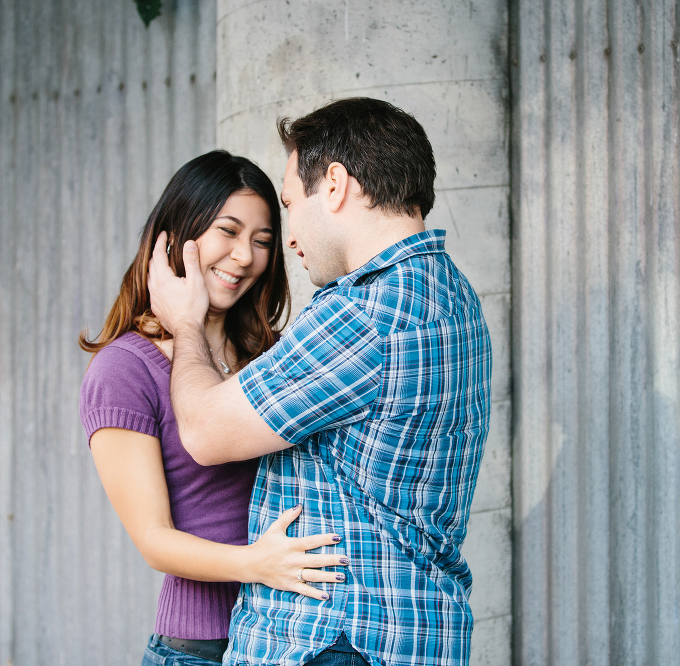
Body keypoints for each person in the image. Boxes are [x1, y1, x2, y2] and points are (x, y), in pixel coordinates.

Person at [147, 98, 493, 666]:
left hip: (336, 640)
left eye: (289, 205)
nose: (289, 239)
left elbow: (206, 433)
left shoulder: (366, 312)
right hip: (415, 633)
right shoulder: (452, 293)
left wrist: (184, 322)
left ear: (334, 185)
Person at [78, 150, 347, 666]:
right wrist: (257, 564)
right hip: (200, 648)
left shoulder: (272, 355)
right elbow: (154, 540)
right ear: (174, 235)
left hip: (291, 637)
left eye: (262, 241)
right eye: (228, 230)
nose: (244, 256)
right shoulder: (123, 371)